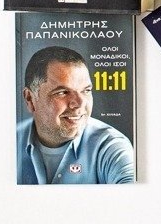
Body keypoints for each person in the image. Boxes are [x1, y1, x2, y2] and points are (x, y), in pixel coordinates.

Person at [17, 46, 135, 184]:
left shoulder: (111, 146)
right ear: (30, 99)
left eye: (86, 91)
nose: (80, 103)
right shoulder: (9, 143)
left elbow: (131, 191)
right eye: (62, 92)